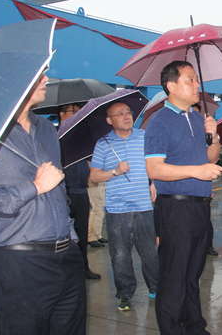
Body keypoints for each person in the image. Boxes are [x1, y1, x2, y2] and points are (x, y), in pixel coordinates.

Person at [0, 72, 87, 334]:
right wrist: (34, 188)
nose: (46, 79)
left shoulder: (46, 128)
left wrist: (71, 235)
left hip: (67, 256)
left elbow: (58, 186)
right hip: (19, 261)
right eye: (38, 75)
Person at [144, 60, 222, 335]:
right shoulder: (159, 122)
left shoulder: (198, 119)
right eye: (189, 80)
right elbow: (154, 169)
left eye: (196, 79)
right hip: (175, 208)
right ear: (171, 86)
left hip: (200, 208)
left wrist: (214, 136)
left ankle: (195, 327)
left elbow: (210, 158)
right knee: (173, 277)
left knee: (192, 275)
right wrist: (195, 171)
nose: (196, 85)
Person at [89, 102, 159, 311]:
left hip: (144, 206)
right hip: (117, 209)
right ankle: (125, 294)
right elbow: (94, 176)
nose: (127, 116)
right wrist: (115, 172)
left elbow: (154, 164)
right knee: (120, 255)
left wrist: (153, 183)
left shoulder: (144, 137)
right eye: (120, 114)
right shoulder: (103, 144)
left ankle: (156, 288)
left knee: (150, 252)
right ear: (109, 120)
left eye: (128, 112)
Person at [59, 103, 102, 280]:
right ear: (62, 114)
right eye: (73, 112)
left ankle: (83, 267)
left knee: (82, 233)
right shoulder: (55, 136)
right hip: (63, 193)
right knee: (64, 235)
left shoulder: (81, 136)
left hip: (82, 191)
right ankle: (65, 271)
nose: (77, 115)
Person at [191, 103, 219, 257]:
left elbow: (212, 159)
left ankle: (208, 245)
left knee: (206, 221)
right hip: (184, 192)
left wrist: (214, 137)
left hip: (202, 189)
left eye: (197, 114)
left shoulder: (204, 133)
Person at [86, 178, 107, 248]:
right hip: (94, 182)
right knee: (98, 209)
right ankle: (91, 237)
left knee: (99, 210)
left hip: (101, 181)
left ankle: (96, 235)